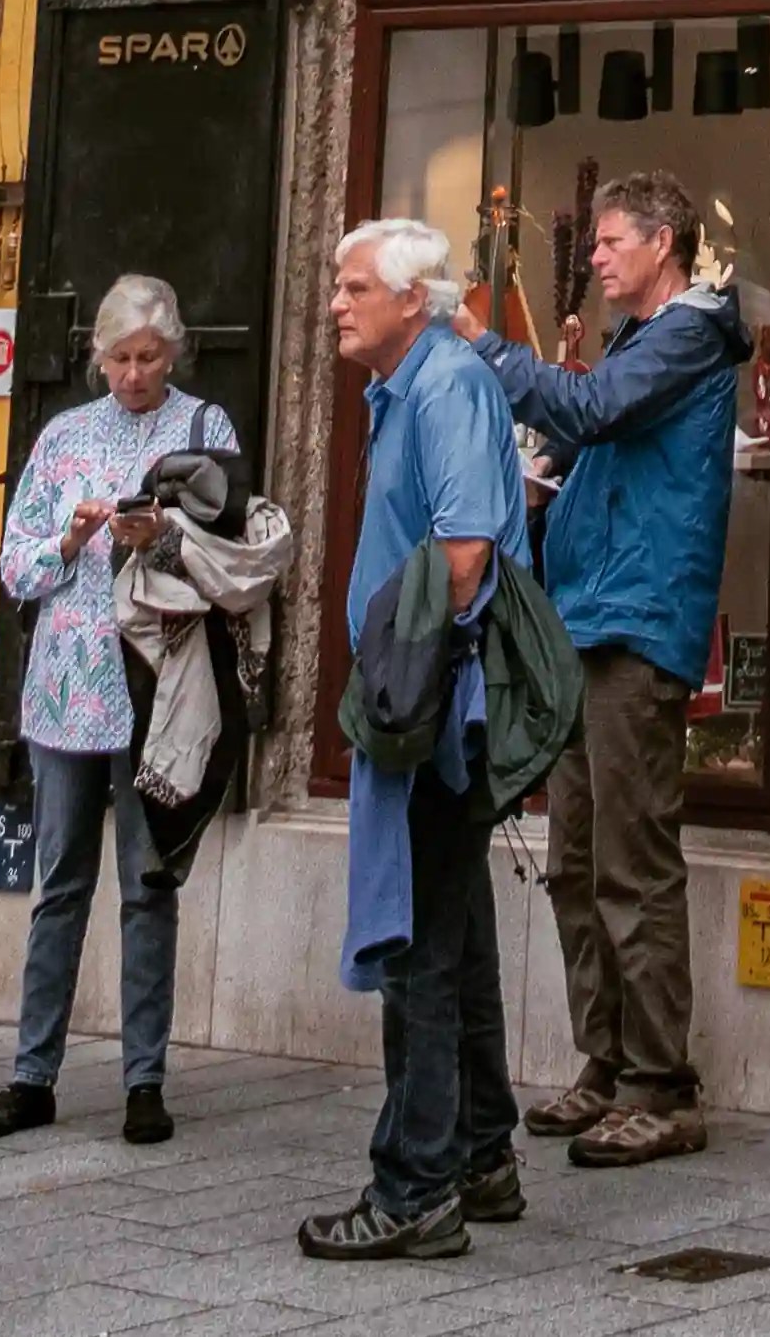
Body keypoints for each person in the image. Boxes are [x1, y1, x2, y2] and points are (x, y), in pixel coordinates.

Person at [472, 171, 750, 1167]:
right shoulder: (640, 338)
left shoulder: (688, 333)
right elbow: (592, 433)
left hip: (636, 623)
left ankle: (661, 1085)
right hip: (585, 620)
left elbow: (594, 409)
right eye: (591, 242)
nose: (593, 257)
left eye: (609, 240)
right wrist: (545, 483)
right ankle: (605, 1061)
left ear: (662, 241)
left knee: (631, 860)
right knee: (578, 861)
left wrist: (482, 346)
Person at [0, 271, 237, 1149]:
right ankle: (30, 1075)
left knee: (148, 886)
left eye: (148, 357)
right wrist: (74, 537)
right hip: (66, 686)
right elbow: (16, 567)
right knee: (59, 886)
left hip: (157, 687)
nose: (133, 374)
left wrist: (164, 537)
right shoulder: (64, 435)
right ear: (98, 356)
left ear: (173, 352)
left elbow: (235, 555)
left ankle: (143, 1080)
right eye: (119, 358)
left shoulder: (205, 429)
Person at [308, 217, 535, 1265]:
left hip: (433, 708)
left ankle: (415, 1187)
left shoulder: (444, 384)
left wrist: (393, 681)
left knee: (420, 948)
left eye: (354, 286)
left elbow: (464, 548)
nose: (337, 302)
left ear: (413, 298)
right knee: (458, 931)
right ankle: (481, 1156)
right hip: (433, 701)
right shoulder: (409, 385)